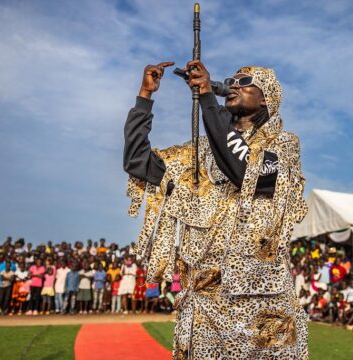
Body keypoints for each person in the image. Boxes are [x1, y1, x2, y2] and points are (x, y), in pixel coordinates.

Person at [124, 61, 309, 358]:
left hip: (260, 303)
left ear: (266, 97)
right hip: (204, 304)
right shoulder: (195, 154)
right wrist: (144, 97)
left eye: (244, 81)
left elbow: (245, 171)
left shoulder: (283, 145)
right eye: (230, 81)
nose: (233, 85)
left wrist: (209, 97)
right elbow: (137, 162)